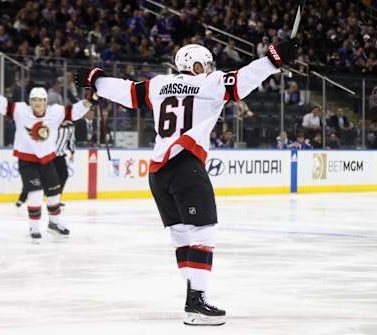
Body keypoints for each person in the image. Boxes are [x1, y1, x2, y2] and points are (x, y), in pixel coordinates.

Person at [75, 40, 298, 326]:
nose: (209, 69)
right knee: (204, 231)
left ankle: (193, 292)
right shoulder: (212, 83)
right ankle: (196, 302)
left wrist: (98, 79)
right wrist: (273, 60)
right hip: (186, 166)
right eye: (205, 65)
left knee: (181, 236)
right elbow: (244, 80)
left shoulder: (158, 85)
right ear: (196, 65)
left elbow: (126, 92)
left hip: (158, 172)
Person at [0, 74, 92, 238]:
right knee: (36, 193)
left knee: (55, 195)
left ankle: (54, 223)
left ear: (45, 102)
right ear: (30, 101)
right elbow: (1, 104)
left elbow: (76, 111)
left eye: (40, 100)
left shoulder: (55, 112)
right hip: (27, 161)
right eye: (34, 100)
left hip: (47, 160)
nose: (37, 103)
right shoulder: (21, 111)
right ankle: (34, 227)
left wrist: (90, 100)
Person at [16, 120, 76, 210]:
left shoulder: (70, 127)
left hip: (59, 156)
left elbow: (71, 140)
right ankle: (23, 197)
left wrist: (72, 152)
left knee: (63, 175)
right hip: (48, 155)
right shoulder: (52, 124)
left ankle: (56, 199)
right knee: (36, 177)